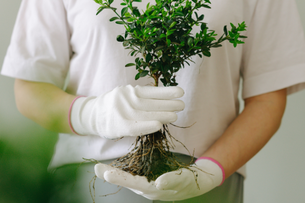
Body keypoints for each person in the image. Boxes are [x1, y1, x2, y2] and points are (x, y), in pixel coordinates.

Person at [2, 0, 305, 202]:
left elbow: (267, 98)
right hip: (86, 178)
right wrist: (89, 113)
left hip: (208, 180)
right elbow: (30, 88)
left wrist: (211, 170)